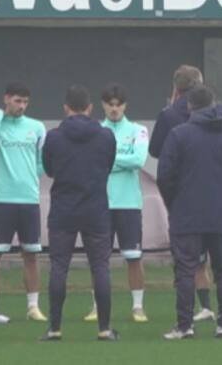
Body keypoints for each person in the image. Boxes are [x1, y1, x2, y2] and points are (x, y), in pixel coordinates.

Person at [150, 65, 222, 323]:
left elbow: (157, 155)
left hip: (185, 201)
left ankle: (186, 323)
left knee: (186, 265)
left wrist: (172, 200)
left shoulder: (170, 117)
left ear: (177, 89)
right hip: (219, 201)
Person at [41, 85, 118, 342]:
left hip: (63, 207)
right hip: (96, 207)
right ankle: (104, 328)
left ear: (66, 108)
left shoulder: (54, 137)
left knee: (59, 267)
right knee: (100, 267)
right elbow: (107, 166)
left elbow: (49, 169)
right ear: (90, 108)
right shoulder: (106, 136)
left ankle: (54, 328)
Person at [0, 82, 47, 323]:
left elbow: (42, 161)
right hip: (1, 201)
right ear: (6, 99)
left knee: (31, 255)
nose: (22, 106)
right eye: (17, 101)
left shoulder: (37, 127)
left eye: (25, 102)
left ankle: (33, 306)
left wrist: (30, 179)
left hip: (29, 201)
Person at [84, 84, 149, 323]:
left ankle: (138, 307)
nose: (114, 109)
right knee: (98, 260)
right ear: (103, 105)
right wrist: (120, 161)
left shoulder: (138, 130)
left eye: (118, 105)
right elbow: (91, 161)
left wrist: (108, 159)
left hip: (129, 204)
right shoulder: (95, 131)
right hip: (100, 204)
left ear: (125, 105)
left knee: (133, 256)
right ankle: (96, 306)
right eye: (110, 105)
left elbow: (138, 160)